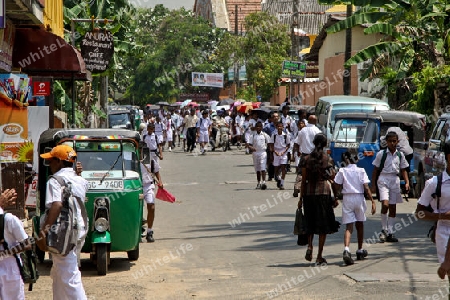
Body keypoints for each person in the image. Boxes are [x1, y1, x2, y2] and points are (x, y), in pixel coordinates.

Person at [37, 144, 88, 300]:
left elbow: (57, 205)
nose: (50, 164)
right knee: (59, 273)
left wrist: (43, 232)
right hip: (77, 232)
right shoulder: (80, 180)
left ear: (59, 162)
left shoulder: (55, 181)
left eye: (51, 161)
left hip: (62, 234)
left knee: (69, 276)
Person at [299, 133, 340, 265]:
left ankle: (309, 246)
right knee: (323, 226)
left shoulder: (305, 159)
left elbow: (303, 180)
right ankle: (319, 256)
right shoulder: (327, 159)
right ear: (324, 145)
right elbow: (332, 179)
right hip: (323, 193)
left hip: (309, 194)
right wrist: (336, 197)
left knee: (310, 222)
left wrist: (300, 199)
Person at [415, 141, 450, 279]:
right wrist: (442, 216)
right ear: (449, 157)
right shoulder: (435, 183)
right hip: (444, 232)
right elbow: (419, 213)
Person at [334, 151, 376, 265]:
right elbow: (366, 187)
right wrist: (372, 201)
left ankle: (346, 249)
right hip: (359, 197)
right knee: (360, 224)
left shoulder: (342, 171)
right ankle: (360, 249)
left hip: (347, 198)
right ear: (357, 159)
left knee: (349, 226)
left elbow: (336, 184)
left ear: (346, 159)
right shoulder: (361, 170)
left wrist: (335, 196)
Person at [371, 131, 409, 243]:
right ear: (386, 142)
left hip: (395, 180)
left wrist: (406, 182)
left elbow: (403, 169)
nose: (392, 143)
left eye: (394, 141)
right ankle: (384, 230)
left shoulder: (400, 155)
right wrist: (373, 185)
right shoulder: (381, 154)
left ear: (397, 142)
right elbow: (375, 170)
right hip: (383, 179)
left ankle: (390, 232)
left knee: (393, 207)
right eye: (390, 141)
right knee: (385, 204)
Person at [0, 187, 28, 300]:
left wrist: (5, 253)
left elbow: (26, 244)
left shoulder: (9, 219)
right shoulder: (10, 219)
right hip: (10, 269)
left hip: (9, 268)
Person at [142, 123, 164, 242]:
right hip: (136, 187)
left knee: (151, 206)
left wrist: (160, 182)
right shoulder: (134, 159)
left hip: (149, 185)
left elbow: (156, 171)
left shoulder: (151, 158)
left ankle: (149, 231)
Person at [293, 115, 322, 197]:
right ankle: (313, 189)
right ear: (316, 121)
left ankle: (297, 187)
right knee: (315, 172)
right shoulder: (317, 131)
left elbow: (296, 143)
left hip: (304, 155)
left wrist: (298, 151)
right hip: (314, 156)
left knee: (301, 172)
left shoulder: (302, 131)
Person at [248, 121, 270, 190]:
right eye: (257, 126)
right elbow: (249, 145)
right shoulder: (253, 135)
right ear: (255, 127)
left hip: (263, 153)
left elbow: (269, 144)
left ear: (262, 127)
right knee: (257, 169)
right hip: (255, 153)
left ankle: (264, 182)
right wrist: (251, 148)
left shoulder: (264, 135)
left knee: (263, 168)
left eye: (260, 126)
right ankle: (258, 182)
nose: (258, 128)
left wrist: (270, 154)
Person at [270, 122, 290, 190]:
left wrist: (284, 152)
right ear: (276, 127)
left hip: (283, 152)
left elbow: (288, 145)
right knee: (276, 168)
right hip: (276, 151)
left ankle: (282, 183)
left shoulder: (285, 135)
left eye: (281, 126)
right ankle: (277, 177)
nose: (279, 128)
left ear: (283, 127)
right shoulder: (274, 135)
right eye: (278, 126)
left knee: (283, 167)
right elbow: (271, 144)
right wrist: (275, 152)